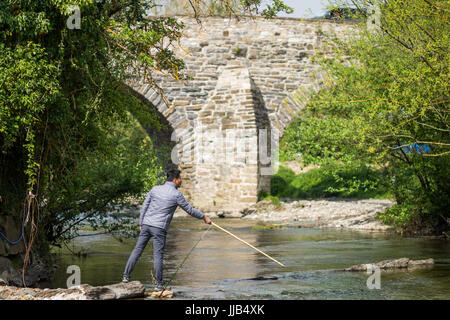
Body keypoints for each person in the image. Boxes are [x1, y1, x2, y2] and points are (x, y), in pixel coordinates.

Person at [122, 169, 211, 291]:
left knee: (137, 250)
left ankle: (126, 277)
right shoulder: (176, 195)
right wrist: (203, 217)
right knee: (158, 255)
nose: (181, 181)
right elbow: (189, 210)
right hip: (159, 228)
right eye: (180, 179)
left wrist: (141, 222)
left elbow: (144, 207)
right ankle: (159, 285)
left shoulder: (155, 189)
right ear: (175, 179)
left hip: (146, 224)